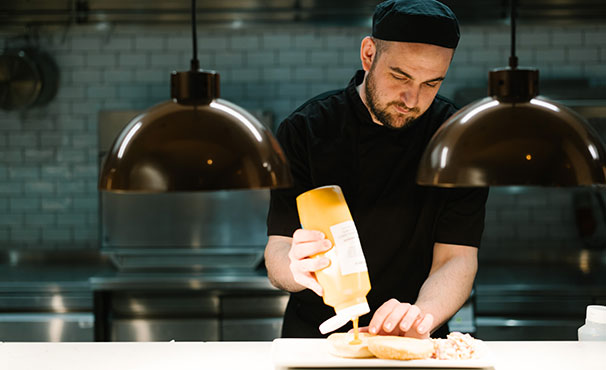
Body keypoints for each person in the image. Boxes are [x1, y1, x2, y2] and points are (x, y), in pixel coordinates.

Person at [264, 0, 489, 339]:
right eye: (400, 76)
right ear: (368, 54)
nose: (412, 99)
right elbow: (278, 250)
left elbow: (455, 258)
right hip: (316, 339)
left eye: (432, 83)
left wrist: (419, 317)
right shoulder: (305, 129)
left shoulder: (456, 140)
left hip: (414, 335)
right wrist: (296, 268)